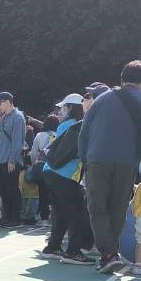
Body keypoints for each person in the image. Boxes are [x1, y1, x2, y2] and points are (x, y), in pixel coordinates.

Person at [79, 61, 141, 273]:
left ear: (122, 78)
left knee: (97, 208)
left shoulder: (102, 99)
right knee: (118, 208)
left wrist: (84, 159)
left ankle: (108, 254)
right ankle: (110, 254)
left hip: (97, 160)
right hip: (128, 162)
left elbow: (84, 131)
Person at [37, 95, 93, 265]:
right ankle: (73, 252)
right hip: (65, 174)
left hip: (50, 171)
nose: (61, 111)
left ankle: (53, 247)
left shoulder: (65, 125)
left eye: (64, 108)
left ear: (71, 108)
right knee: (77, 212)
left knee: (60, 211)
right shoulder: (77, 125)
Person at [0, 91, 26, 228]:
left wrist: (12, 160)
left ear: (7, 102)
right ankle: (8, 217)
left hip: (10, 161)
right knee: (4, 190)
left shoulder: (18, 117)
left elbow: (18, 141)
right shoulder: (4, 117)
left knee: (12, 190)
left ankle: (15, 218)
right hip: (0, 160)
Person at [28, 113, 59, 225]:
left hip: (42, 166)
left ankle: (44, 218)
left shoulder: (40, 135)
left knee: (43, 193)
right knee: (55, 193)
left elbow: (33, 153)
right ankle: (56, 217)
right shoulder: (59, 135)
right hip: (55, 167)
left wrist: (33, 164)